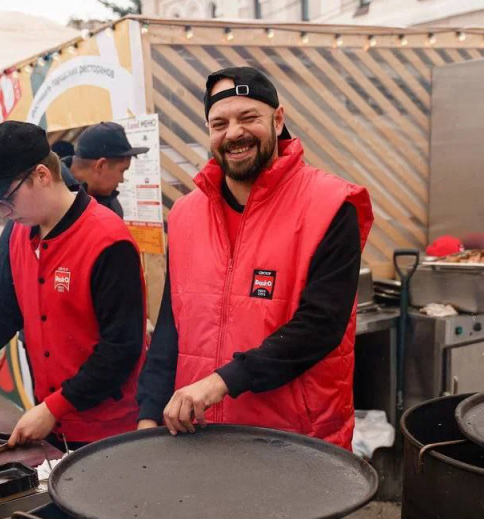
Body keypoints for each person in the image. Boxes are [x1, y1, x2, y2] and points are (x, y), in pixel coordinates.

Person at [137, 65, 374, 449]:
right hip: (201, 438)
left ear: (278, 119)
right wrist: (148, 413)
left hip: (296, 442)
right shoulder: (184, 214)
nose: (234, 133)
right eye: (220, 123)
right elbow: (170, 326)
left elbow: (321, 326)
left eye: (249, 117)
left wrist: (222, 382)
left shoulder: (331, 205)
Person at [0, 121, 146, 449]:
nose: (4, 213)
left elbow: (121, 349)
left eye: (7, 198)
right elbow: (4, 306)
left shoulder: (108, 241)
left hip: (107, 431)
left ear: (42, 175)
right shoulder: (22, 234)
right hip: (52, 422)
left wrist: (54, 407)